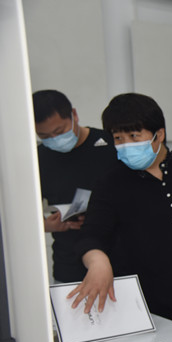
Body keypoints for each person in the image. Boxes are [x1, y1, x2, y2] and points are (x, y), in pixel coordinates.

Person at [67, 93, 172, 336]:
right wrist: (97, 262)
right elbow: (91, 236)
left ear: (158, 135)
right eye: (118, 138)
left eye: (134, 136)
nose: (126, 145)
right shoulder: (110, 183)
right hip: (154, 312)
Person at [34, 89, 118, 283]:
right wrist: (45, 225)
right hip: (68, 264)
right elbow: (20, 214)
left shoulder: (109, 145)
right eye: (44, 136)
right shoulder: (39, 158)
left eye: (59, 131)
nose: (54, 139)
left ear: (74, 115)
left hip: (116, 257)